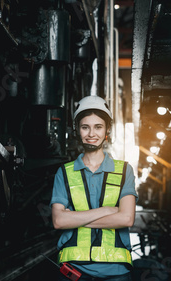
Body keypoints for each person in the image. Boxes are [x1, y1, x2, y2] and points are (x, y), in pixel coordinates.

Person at [50, 95, 138, 281]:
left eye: (98, 127)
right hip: (73, 270)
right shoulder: (64, 172)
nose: (91, 133)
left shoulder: (124, 171)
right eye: (85, 127)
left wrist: (74, 218)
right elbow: (58, 221)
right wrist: (106, 211)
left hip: (116, 273)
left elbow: (127, 218)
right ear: (77, 130)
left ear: (107, 130)